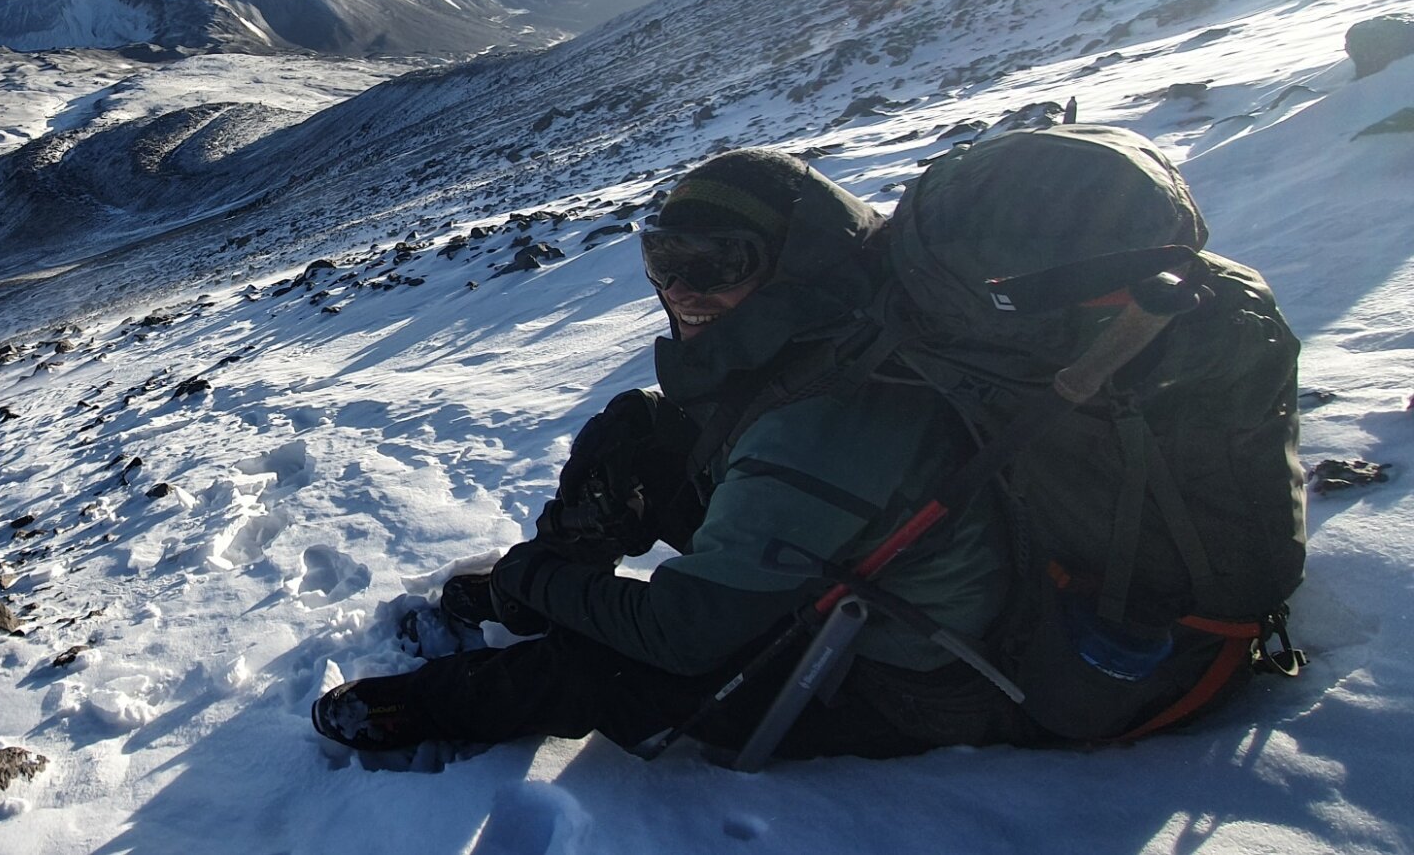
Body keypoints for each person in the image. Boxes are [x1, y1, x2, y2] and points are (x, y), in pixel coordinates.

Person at [313, 149, 1035, 761]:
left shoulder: (832, 418)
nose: (682, 289)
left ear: (796, 267)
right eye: (664, 258)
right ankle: (529, 602)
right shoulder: (834, 330)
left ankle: (442, 698)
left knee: (609, 667)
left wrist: (539, 570)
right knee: (640, 429)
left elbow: (682, 636)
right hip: (843, 566)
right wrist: (547, 582)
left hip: (904, 678)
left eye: (721, 262)